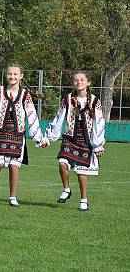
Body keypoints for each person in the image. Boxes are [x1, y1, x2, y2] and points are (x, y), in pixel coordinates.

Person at [0, 64, 43, 207]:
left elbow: (31, 115)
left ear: (21, 76)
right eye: (9, 74)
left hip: (17, 133)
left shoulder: (25, 95)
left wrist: (37, 137)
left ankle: (12, 197)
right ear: (6, 75)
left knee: (14, 165)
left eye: (15, 74)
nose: (12, 77)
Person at [43, 71, 105, 211]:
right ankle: (66, 189)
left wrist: (98, 145)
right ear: (73, 83)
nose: (79, 82)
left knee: (81, 172)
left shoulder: (95, 101)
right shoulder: (68, 99)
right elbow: (59, 118)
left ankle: (84, 200)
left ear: (88, 82)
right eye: (76, 80)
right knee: (62, 163)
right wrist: (49, 137)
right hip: (69, 138)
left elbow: (99, 123)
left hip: (86, 140)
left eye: (82, 80)